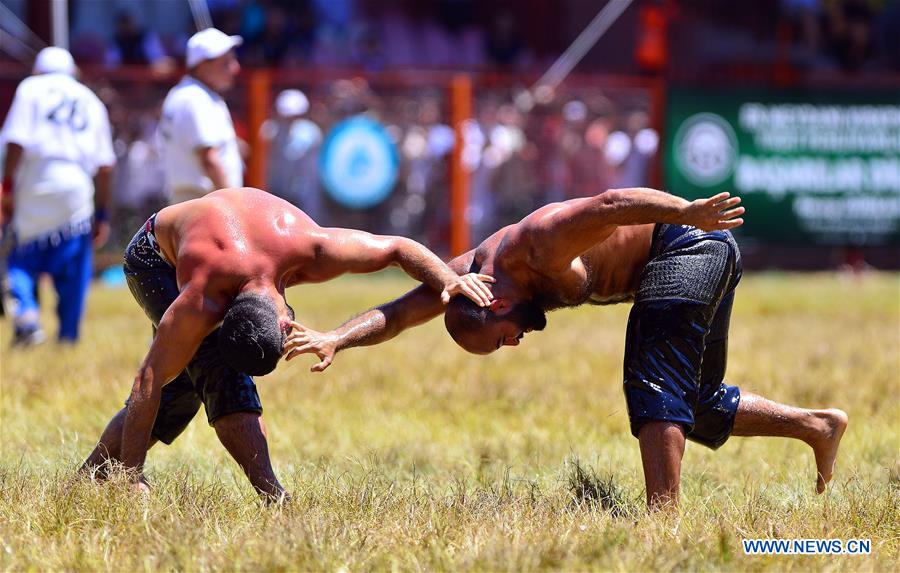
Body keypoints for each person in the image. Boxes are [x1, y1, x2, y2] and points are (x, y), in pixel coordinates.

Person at [285, 187, 848, 509]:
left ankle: (663, 526)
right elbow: (400, 313)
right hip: (687, 256)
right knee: (692, 403)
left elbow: (612, 203)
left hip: (689, 242)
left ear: (497, 305)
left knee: (653, 382)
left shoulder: (539, 244)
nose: (513, 344)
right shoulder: (464, 278)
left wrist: (686, 213)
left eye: (500, 340)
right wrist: (336, 337)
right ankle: (818, 427)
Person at [79, 187, 494, 501]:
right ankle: (272, 497)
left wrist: (449, 279)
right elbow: (148, 378)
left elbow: (398, 248)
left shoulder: (312, 247)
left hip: (230, 242)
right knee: (214, 371)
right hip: (153, 257)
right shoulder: (201, 301)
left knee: (187, 384)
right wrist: (132, 475)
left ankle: (92, 475)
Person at [0, 47, 115, 345]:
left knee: (21, 259)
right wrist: (102, 212)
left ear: (38, 69)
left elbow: (16, 141)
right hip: (77, 184)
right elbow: (105, 166)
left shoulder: (31, 88)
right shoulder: (90, 99)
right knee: (74, 267)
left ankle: (26, 316)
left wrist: (7, 185)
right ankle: (68, 336)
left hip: (36, 179)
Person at [158, 28, 243, 205]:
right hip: (204, 202)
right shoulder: (196, 98)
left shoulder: (185, 94)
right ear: (203, 65)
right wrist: (234, 205)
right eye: (226, 63)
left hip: (193, 200)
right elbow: (209, 160)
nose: (235, 68)